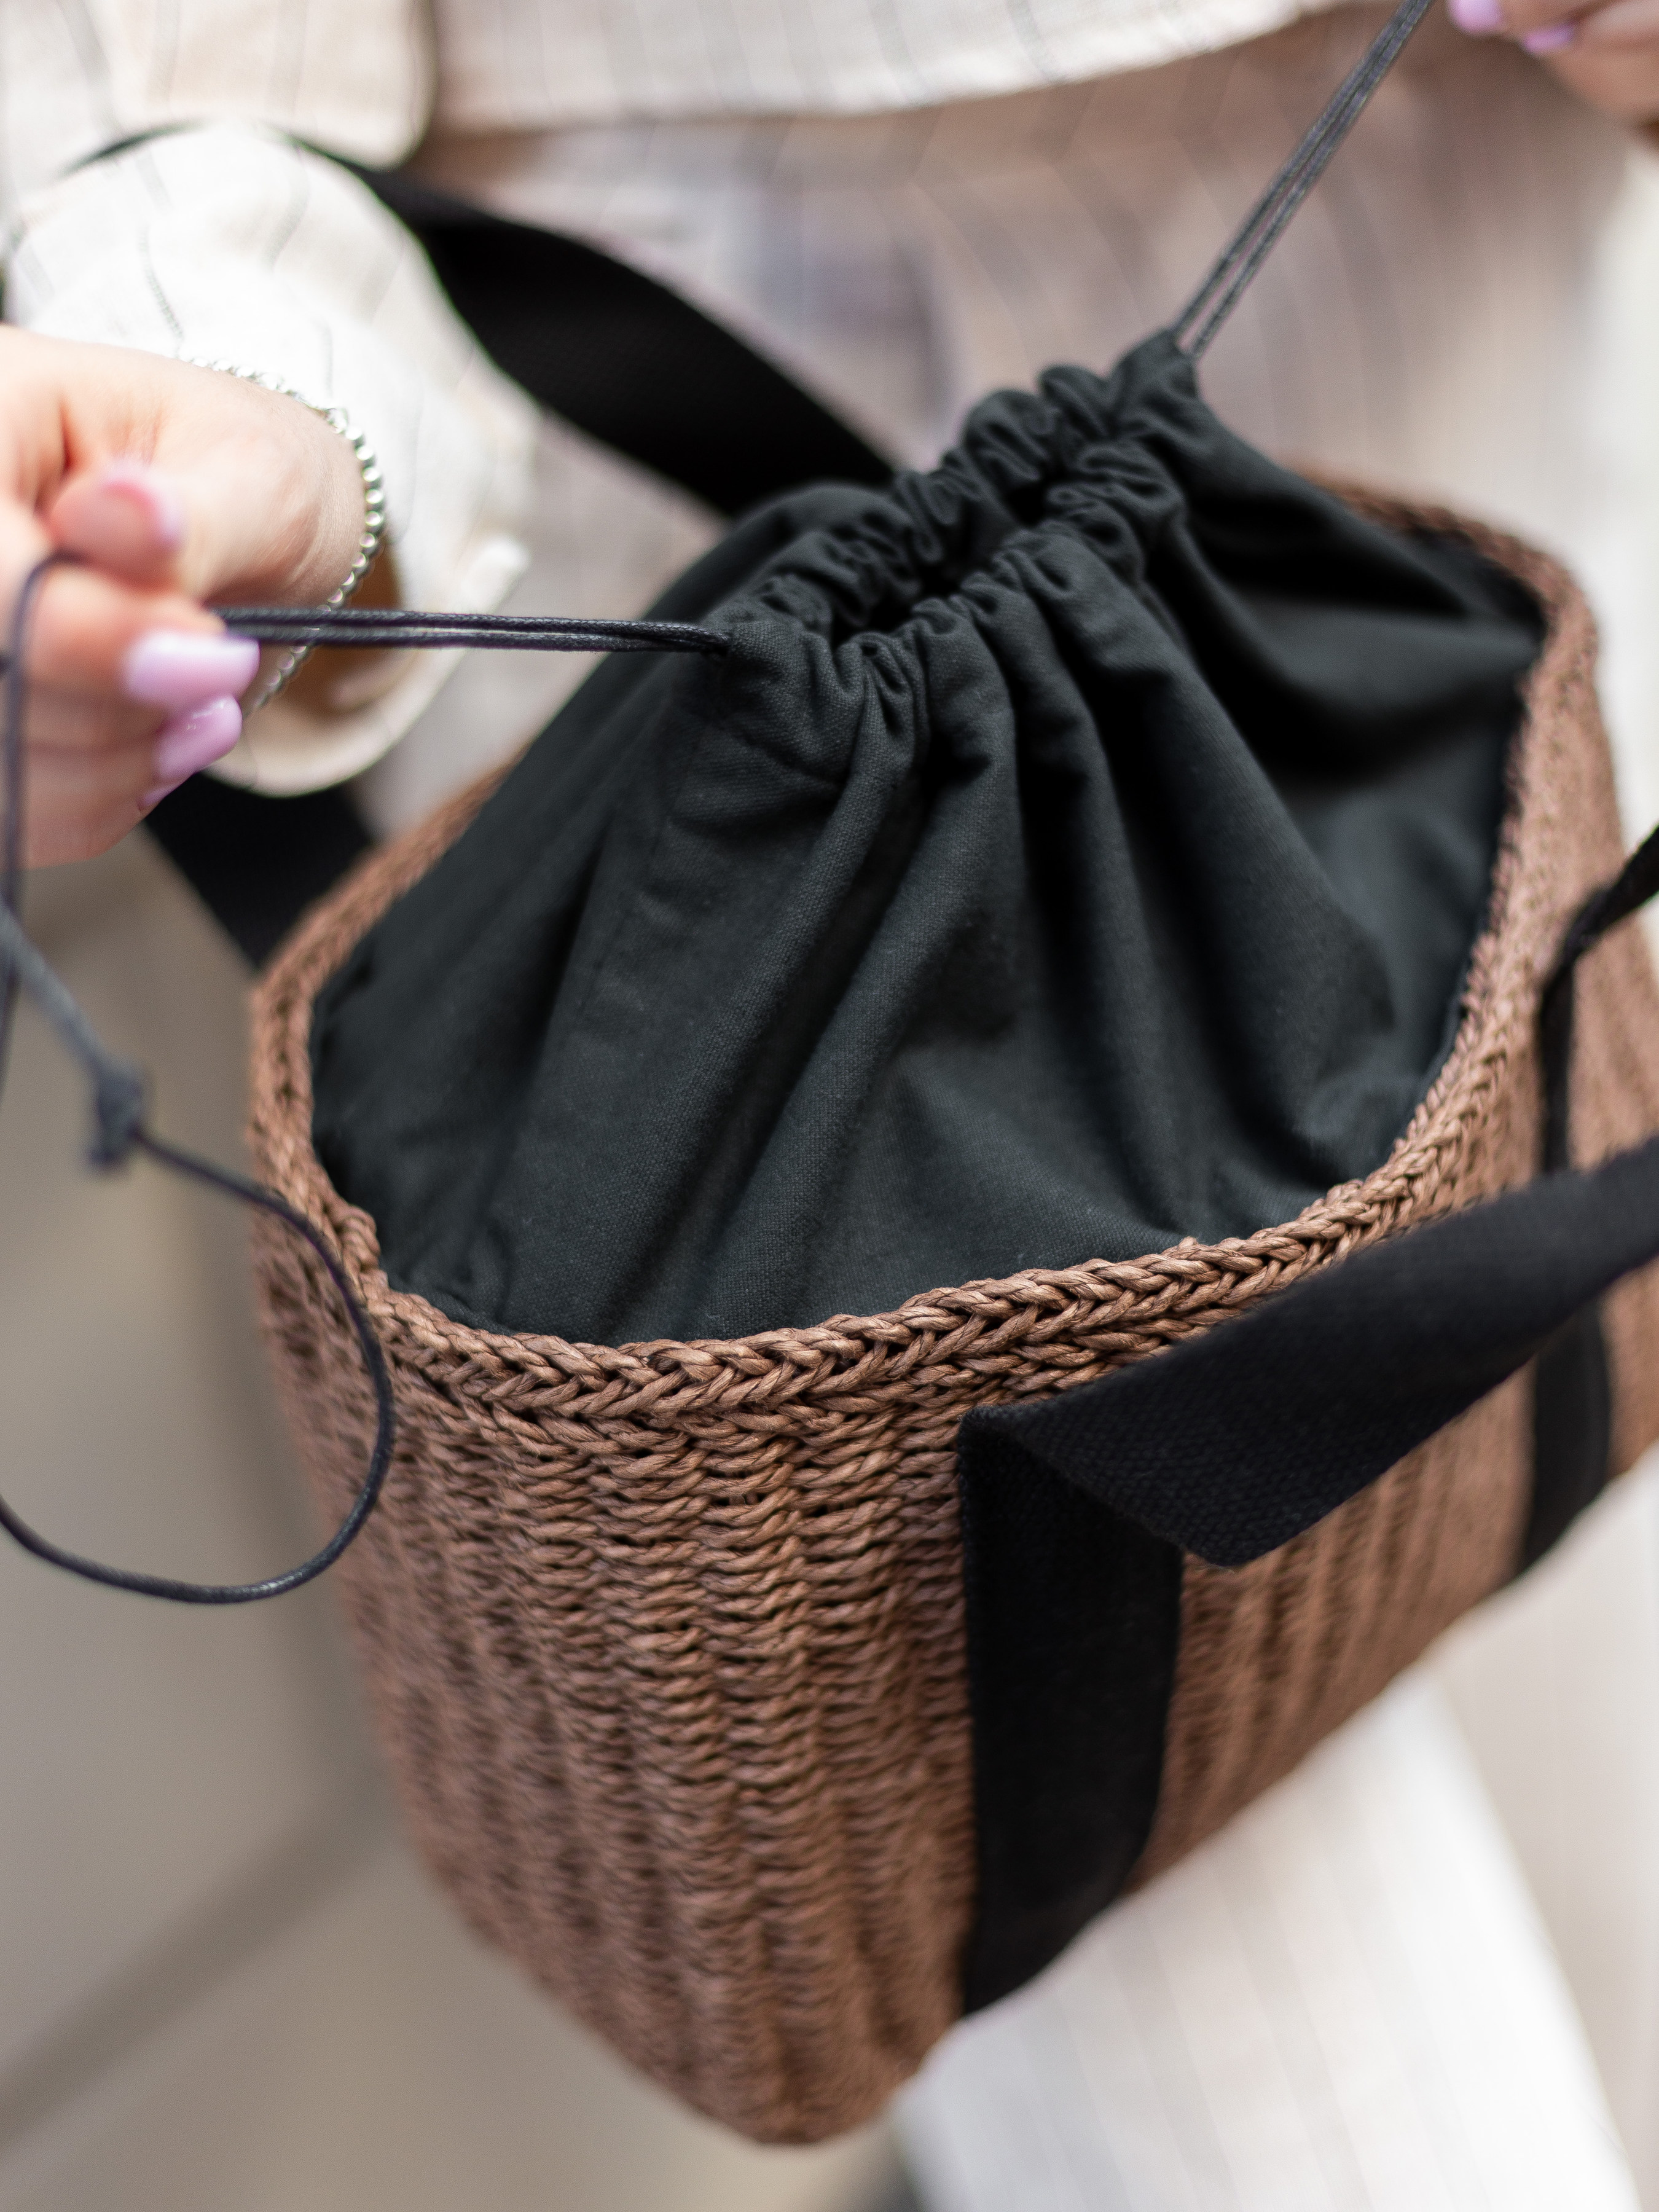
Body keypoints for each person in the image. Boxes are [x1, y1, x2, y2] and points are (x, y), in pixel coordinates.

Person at [2, 1, 1657, 2202]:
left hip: (1423, 343)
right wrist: (241, 441)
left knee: (1601, 1751)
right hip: (690, 664)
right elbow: (169, 86)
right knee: (1306, 2092)